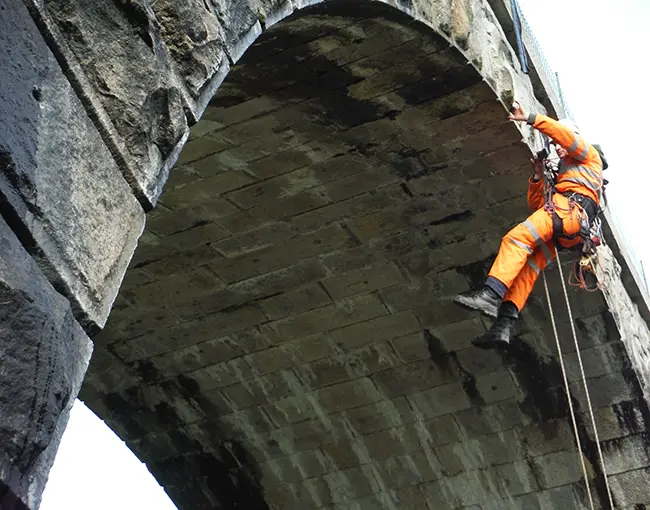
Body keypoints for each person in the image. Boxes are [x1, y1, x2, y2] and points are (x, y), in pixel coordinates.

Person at [454, 102, 604, 349]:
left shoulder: (588, 156)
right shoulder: (564, 177)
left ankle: (490, 295)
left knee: (516, 239)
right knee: (527, 270)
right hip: (566, 229)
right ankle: (503, 326)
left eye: (559, 144)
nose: (557, 147)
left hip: (567, 214)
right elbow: (537, 207)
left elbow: (563, 135)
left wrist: (531, 118)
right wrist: (537, 176)